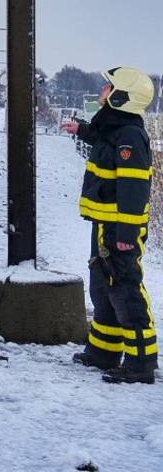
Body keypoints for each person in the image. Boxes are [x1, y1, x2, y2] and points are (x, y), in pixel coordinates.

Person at [61, 67, 157, 384]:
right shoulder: (117, 127)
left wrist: (128, 235)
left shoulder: (131, 135)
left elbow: (134, 190)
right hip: (106, 224)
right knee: (104, 289)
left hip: (120, 228)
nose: (103, 89)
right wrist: (81, 130)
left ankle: (141, 364)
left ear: (122, 95)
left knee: (126, 290)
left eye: (109, 86)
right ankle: (103, 352)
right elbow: (103, 137)